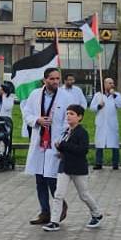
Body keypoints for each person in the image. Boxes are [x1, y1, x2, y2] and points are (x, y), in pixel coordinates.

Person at [24, 68, 80, 225]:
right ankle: (44, 212)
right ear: (45, 80)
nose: (56, 82)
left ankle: (60, 206)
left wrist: (61, 139)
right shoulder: (35, 95)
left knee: (51, 178)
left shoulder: (65, 96)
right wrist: (37, 120)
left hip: (55, 142)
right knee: (39, 178)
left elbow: (68, 120)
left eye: (57, 78)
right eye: (52, 79)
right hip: (39, 141)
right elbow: (26, 113)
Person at [48, 105, 103, 231]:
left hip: (78, 168)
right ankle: (54, 221)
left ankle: (97, 214)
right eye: (67, 113)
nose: (68, 116)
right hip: (64, 166)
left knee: (84, 194)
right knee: (59, 194)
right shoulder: (66, 131)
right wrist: (59, 148)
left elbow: (82, 150)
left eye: (72, 114)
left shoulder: (82, 133)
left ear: (79, 117)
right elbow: (65, 147)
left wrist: (64, 146)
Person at [92, 78, 121, 170]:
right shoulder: (98, 95)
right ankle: (98, 163)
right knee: (99, 143)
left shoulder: (116, 95)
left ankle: (115, 163)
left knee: (114, 144)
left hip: (112, 123)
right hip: (101, 123)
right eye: (110, 83)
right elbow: (92, 108)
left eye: (113, 83)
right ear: (105, 84)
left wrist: (114, 95)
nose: (112, 84)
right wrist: (99, 106)